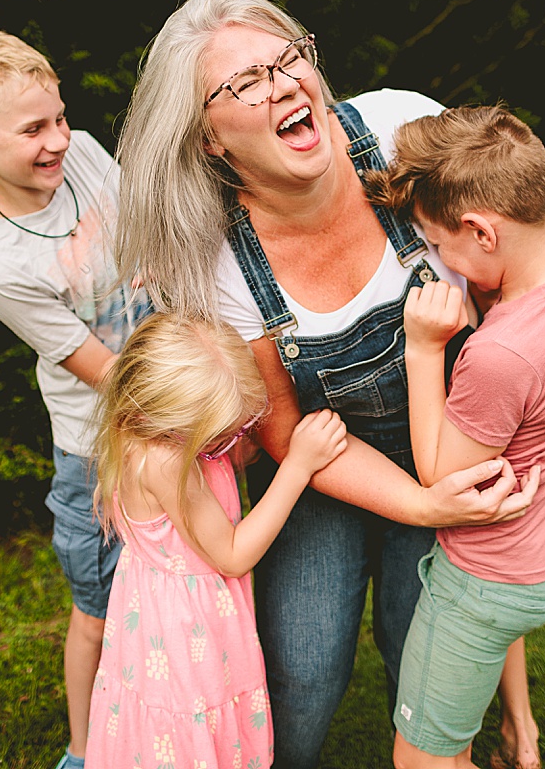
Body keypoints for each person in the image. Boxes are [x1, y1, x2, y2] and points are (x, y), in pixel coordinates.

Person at [114, 0, 538, 768]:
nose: (281, 84)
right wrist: (417, 502)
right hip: (320, 459)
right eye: (243, 83)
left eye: (288, 58)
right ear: (210, 139)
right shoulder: (219, 261)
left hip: (449, 432)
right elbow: (278, 424)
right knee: (303, 668)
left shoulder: (400, 129)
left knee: (428, 652)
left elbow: (516, 252)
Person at [367, 105, 545, 769]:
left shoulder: (500, 356)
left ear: (481, 230)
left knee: (425, 757)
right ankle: (523, 735)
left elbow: (441, 480)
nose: (433, 259)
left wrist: (425, 351)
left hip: (490, 578)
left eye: (434, 241)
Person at [0, 27, 152, 769]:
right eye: (32, 129)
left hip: (176, 410)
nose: (58, 139)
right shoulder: (3, 267)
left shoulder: (84, 152)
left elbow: (150, 241)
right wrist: (202, 398)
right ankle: (85, 752)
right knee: (99, 608)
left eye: (58, 117)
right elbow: (106, 371)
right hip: (101, 450)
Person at [85, 313, 349, 768]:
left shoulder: (143, 432)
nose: (232, 443)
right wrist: (297, 466)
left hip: (155, 613)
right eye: (222, 436)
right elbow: (232, 554)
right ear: (168, 421)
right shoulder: (167, 462)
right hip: (188, 633)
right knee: (192, 732)